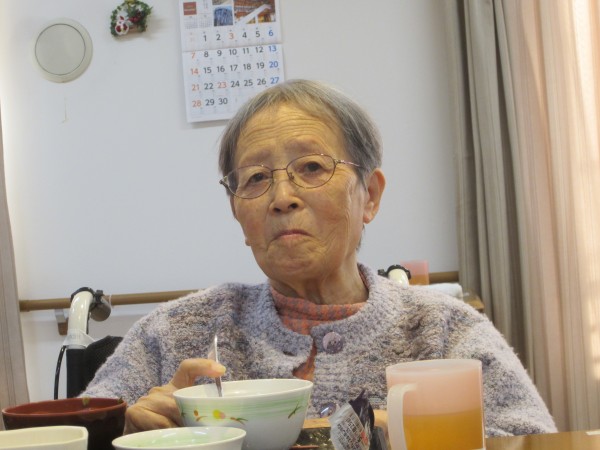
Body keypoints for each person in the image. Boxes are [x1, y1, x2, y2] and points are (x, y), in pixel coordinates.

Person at [83, 79, 556, 437]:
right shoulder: (174, 331)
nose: (281, 198)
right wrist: (125, 432)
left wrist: (397, 432)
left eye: (311, 167)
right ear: (236, 211)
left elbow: (533, 441)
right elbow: (78, 432)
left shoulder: (444, 329)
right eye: (255, 178)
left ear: (369, 196)